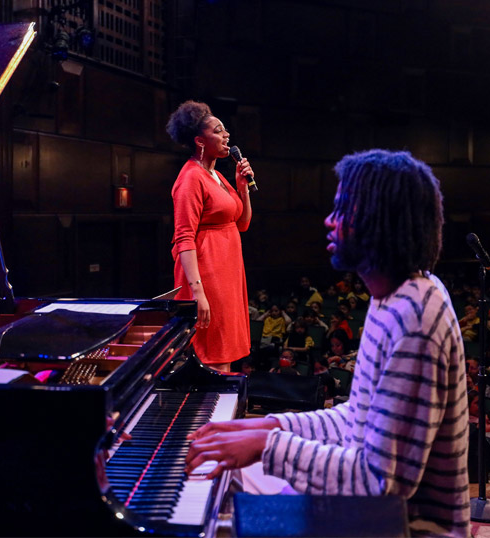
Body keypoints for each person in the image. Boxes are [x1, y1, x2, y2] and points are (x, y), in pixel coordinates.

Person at [184, 150, 469, 536]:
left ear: (378, 221)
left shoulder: (416, 316)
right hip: (374, 515)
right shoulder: (393, 297)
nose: (329, 221)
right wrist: (268, 426)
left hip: (407, 528)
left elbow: (380, 484)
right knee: (224, 481)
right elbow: (357, 418)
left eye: (342, 210)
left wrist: (268, 446)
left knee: (223, 506)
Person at [167, 100, 255, 371]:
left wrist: (243, 188)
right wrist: (198, 293)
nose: (226, 135)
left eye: (225, 129)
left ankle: (220, 410)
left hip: (227, 271)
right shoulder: (191, 178)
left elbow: (242, 224)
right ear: (200, 140)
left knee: (224, 352)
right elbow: (184, 238)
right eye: (218, 130)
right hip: (207, 274)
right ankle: (210, 413)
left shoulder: (217, 176)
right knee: (213, 355)